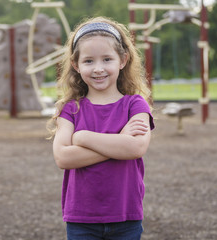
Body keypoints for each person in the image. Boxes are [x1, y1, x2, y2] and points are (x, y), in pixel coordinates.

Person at [48, 16, 155, 240]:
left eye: (107, 59)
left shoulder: (135, 104)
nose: (98, 69)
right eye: (88, 61)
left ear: (123, 60)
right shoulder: (70, 109)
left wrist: (82, 136)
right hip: (81, 219)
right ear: (76, 65)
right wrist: (119, 140)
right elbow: (63, 158)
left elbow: (135, 148)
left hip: (126, 216)